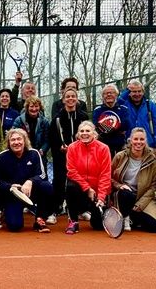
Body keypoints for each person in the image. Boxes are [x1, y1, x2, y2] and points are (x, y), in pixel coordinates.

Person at [0, 129, 54, 232]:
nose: (16, 142)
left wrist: (30, 181)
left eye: (19, 139)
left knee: (47, 187)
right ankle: (6, 212)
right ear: (8, 142)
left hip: (31, 192)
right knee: (15, 226)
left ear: (25, 140)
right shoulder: (1, 157)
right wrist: (10, 187)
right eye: (12, 140)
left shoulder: (34, 153)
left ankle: (40, 219)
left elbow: (42, 175)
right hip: (13, 195)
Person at [111, 128, 156, 233]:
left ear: (146, 141)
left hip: (143, 197)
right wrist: (119, 186)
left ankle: (134, 218)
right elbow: (108, 177)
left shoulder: (152, 160)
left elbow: (154, 185)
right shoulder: (120, 156)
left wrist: (140, 204)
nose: (138, 142)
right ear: (130, 140)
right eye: (136, 139)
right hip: (124, 196)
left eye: (142, 139)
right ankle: (124, 217)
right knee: (126, 194)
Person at [65, 121, 112, 234]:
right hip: (80, 190)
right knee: (71, 186)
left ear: (94, 134)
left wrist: (100, 197)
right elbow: (71, 172)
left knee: (98, 226)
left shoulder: (104, 148)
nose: (84, 133)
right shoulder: (72, 148)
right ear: (78, 134)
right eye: (81, 131)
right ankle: (73, 221)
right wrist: (87, 189)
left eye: (87, 131)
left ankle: (95, 212)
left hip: (96, 192)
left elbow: (105, 174)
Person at [48, 88, 87, 218]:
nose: (70, 99)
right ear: (63, 100)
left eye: (73, 96)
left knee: (78, 181)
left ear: (77, 99)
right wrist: (60, 147)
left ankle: (81, 210)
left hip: (79, 156)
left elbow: (87, 136)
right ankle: (55, 209)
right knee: (59, 180)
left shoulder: (83, 117)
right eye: (68, 97)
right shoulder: (57, 118)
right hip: (61, 157)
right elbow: (52, 139)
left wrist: (78, 148)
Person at [117, 79, 156, 155]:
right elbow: (117, 102)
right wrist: (128, 89)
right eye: (134, 91)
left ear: (143, 92)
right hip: (128, 145)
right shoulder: (124, 104)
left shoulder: (150, 105)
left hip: (148, 145)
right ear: (129, 93)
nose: (137, 94)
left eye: (139, 91)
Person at [11, 96, 50, 171]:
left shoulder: (44, 121)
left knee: (42, 179)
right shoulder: (19, 120)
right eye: (31, 106)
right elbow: (13, 136)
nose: (34, 109)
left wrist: (43, 150)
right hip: (23, 155)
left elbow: (47, 140)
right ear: (27, 107)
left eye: (36, 106)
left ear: (40, 107)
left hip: (40, 156)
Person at [92, 84, 131, 157]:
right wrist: (117, 128)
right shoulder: (97, 110)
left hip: (120, 147)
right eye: (106, 93)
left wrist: (105, 127)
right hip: (102, 147)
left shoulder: (123, 109)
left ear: (117, 95)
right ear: (103, 96)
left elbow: (126, 125)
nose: (109, 95)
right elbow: (96, 128)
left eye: (112, 92)